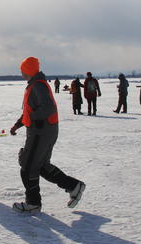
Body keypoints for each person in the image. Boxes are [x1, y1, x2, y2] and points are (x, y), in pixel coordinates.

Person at [9, 57, 85, 213]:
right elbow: (30, 111)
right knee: (41, 166)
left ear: (28, 70)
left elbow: (48, 108)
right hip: (43, 131)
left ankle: (33, 203)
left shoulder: (38, 86)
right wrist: (18, 124)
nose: (21, 72)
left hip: (41, 132)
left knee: (28, 167)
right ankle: (73, 186)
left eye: (22, 69)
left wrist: (31, 118)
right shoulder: (35, 85)